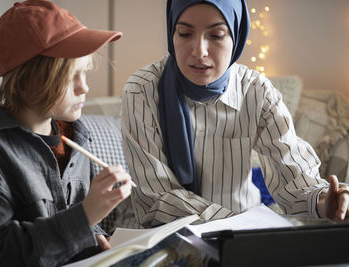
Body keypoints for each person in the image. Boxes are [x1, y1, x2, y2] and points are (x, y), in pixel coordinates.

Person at [121, 0, 349, 228]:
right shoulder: (142, 91)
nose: (199, 51)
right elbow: (158, 194)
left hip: (244, 237)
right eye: (184, 33)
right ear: (172, 33)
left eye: (217, 35)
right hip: (169, 237)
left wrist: (323, 200)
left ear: (236, 36)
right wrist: (233, 222)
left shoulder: (256, 91)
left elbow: (291, 174)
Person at [0, 1, 133, 266]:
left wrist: (96, 240)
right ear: (26, 82)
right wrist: (84, 217)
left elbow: (82, 228)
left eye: (85, 73)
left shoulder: (78, 136)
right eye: (71, 77)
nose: (84, 88)